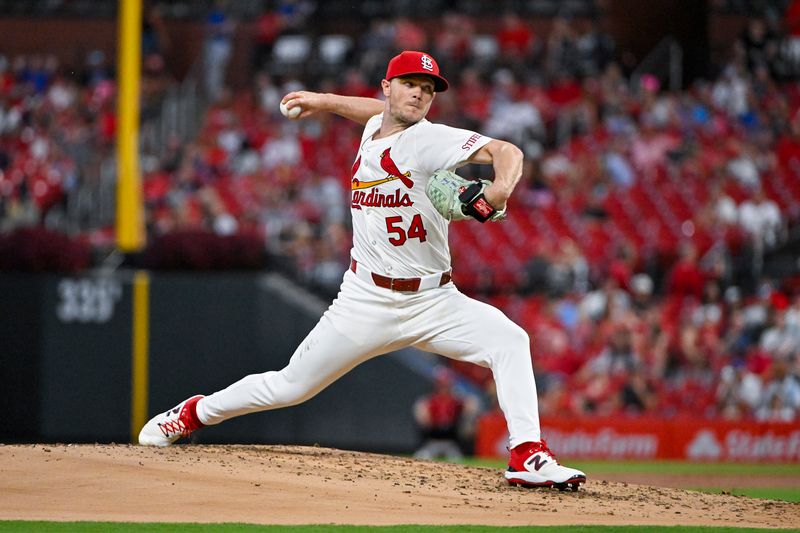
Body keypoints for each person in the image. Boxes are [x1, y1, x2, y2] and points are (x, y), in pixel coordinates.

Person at [139, 50, 587, 490]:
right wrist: (324, 100)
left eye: (428, 89)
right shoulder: (377, 125)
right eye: (410, 84)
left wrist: (502, 190)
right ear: (387, 87)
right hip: (365, 299)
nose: (419, 95)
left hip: (433, 299)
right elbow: (375, 113)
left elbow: (505, 150)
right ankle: (192, 413)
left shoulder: (427, 139)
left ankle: (527, 453)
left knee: (509, 339)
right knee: (290, 386)